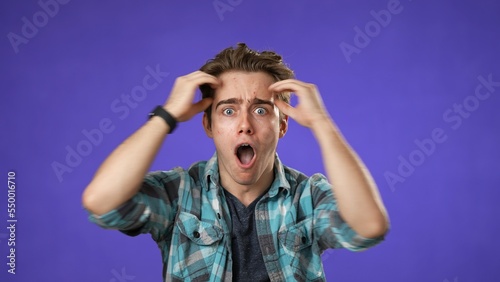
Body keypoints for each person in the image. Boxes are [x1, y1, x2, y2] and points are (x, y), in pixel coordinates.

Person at [82, 43, 390, 281]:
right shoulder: (180, 194)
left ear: (281, 126)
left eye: (260, 111)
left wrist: (322, 123)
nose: (244, 125)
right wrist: (166, 116)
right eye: (228, 111)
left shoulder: (307, 198)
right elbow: (101, 202)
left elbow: (369, 227)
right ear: (209, 125)